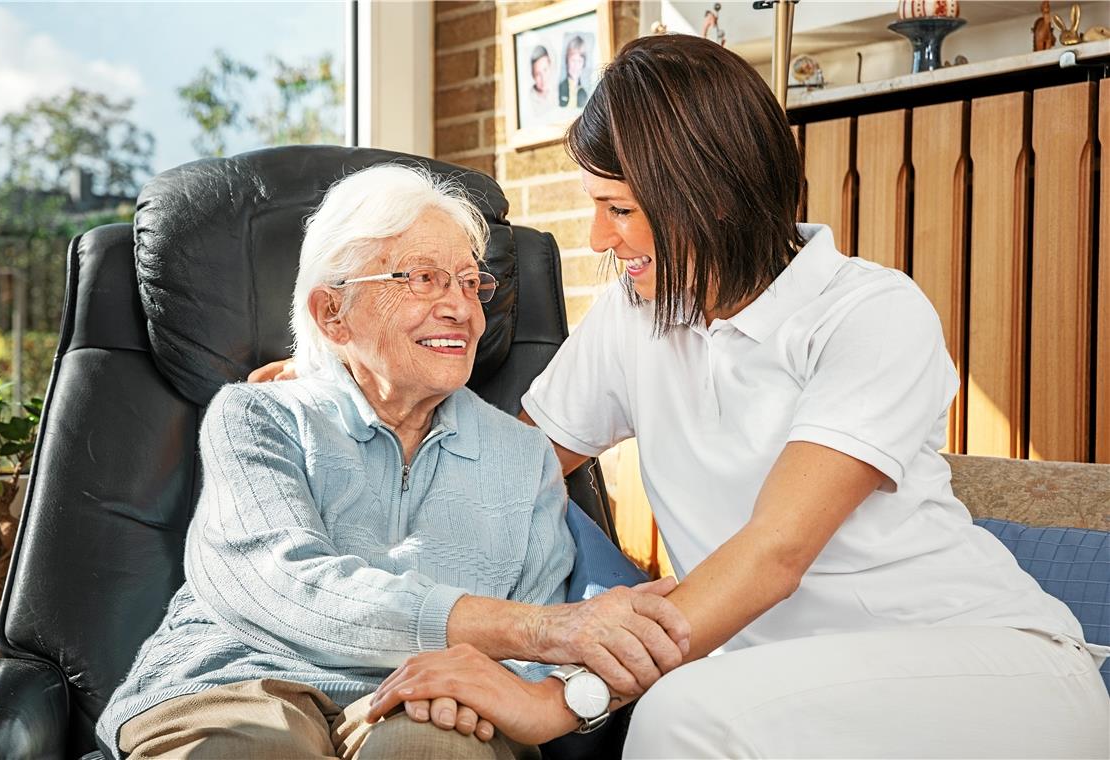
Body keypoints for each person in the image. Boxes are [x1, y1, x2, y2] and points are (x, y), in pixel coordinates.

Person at [364, 36, 1110, 757]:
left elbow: (773, 552)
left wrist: (560, 700)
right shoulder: (638, 312)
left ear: (711, 198)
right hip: (784, 690)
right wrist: (350, 386)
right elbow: (506, 469)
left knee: (684, 715)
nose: (597, 236)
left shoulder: (870, 313)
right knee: (702, 704)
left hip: (989, 671)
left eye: (619, 210)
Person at [95, 164, 690, 760]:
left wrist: (498, 680)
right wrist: (537, 631)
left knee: (435, 748)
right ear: (333, 313)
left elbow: (526, 660)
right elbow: (284, 585)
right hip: (240, 682)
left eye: (469, 282)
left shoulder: (523, 458)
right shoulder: (258, 417)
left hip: (431, 701)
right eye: (426, 279)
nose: (462, 308)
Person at [558, 36, 589, 109]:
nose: (576, 66)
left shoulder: (584, 93)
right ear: (567, 61)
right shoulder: (560, 89)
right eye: (573, 60)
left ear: (583, 64)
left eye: (579, 61)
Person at [527, 45, 556, 123]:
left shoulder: (558, 93)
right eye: (538, 74)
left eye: (545, 70)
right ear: (533, 75)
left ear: (550, 67)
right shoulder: (528, 101)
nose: (543, 78)